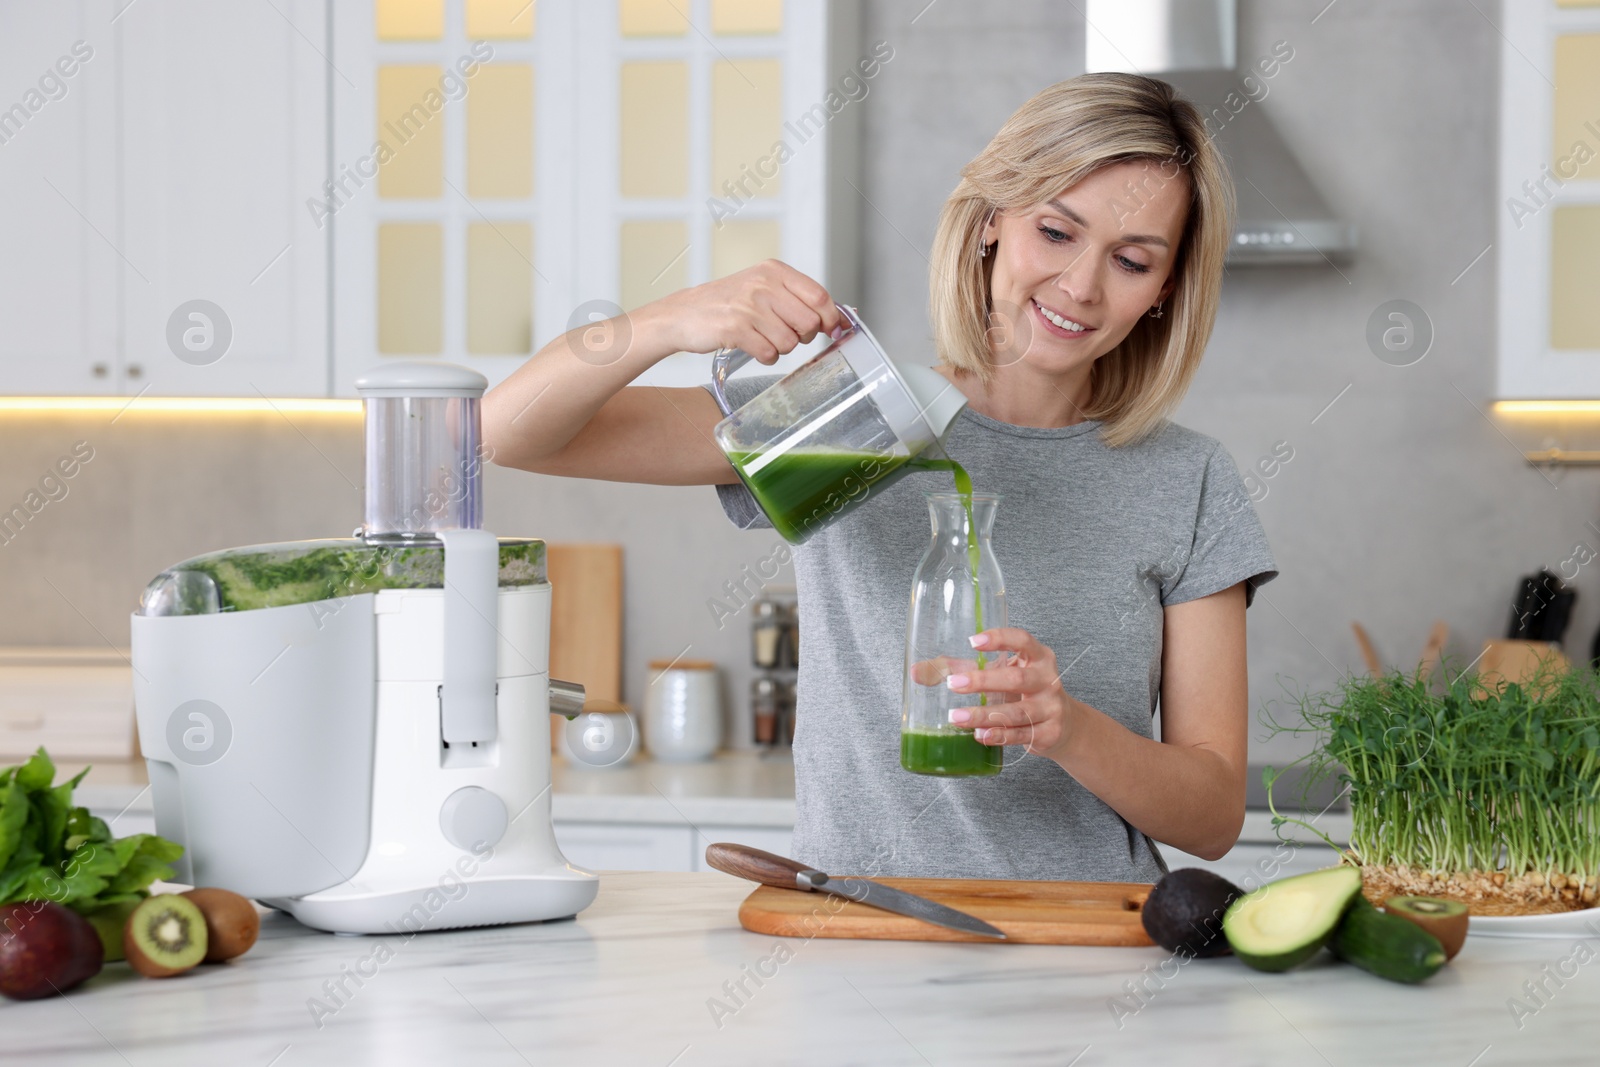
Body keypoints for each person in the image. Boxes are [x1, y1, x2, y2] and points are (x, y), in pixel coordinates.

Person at [484, 73, 1278, 882]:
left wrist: (1065, 726)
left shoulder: (1188, 477)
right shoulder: (850, 419)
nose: (1080, 285)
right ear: (991, 221)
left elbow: (1213, 817)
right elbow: (509, 432)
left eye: (1132, 260)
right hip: (859, 938)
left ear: (1166, 289)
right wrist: (667, 322)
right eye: (1056, 231)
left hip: (1083, 945)